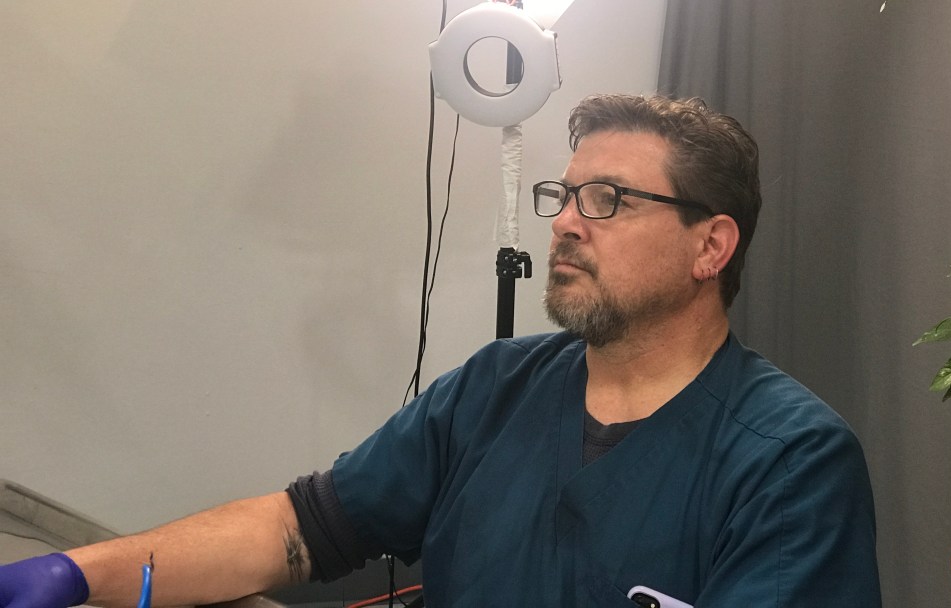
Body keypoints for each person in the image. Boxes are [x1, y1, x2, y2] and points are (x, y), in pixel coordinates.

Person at [0, 94, 882, 608]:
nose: (565, 224)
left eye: (608, 200)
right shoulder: (498, 388)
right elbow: (298, 528)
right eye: (563, 195)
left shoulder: (791, 462)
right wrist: (79, 572)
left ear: (711, 246)